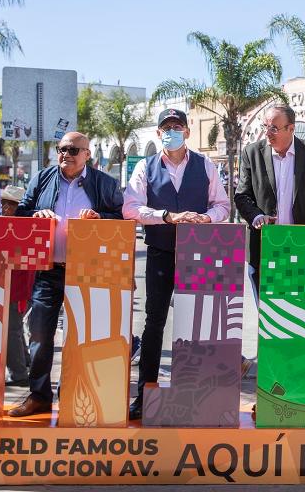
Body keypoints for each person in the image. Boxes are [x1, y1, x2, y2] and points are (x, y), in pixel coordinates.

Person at [123, 108, 231, 420]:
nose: (172, 131)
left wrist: (206, 218)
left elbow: (222, 205)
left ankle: (195, 394)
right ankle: (145, 393)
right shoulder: (145, 167)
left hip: (198, 253)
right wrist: (167, 216)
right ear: (159, 133)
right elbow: (131, 208)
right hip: (159, 250)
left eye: (177, 126)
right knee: (154, 322)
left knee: (195, 323)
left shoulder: (205, 165)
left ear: (186, 131)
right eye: (166, 127)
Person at [7, 133, 123, 418]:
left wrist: (100, 219)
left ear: (87, 153)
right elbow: (22, 213)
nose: (66, 154)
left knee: (81, 337)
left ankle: (74, 395)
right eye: (61, 149)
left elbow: (123, 219)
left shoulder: (104, 183)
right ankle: (39, 395)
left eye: (73, 150)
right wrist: (35, 214)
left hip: (89, 271)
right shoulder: (43, 178)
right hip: (48, 269)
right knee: (40, 333)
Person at [234, 104, 305, 293]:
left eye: (273, 128)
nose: (267, 133)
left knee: (298, 312)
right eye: (265, 126)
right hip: (264, 246)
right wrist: (256, 216)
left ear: (291, 128)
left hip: (301, 244)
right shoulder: (251, 153)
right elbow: (242, 195)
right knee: (266, 314)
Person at [0, 185, 31, 388]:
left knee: (11, 328)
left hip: (16, 283)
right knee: (15, 327)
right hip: (17, 282)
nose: (3, 207)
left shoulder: (18, 227)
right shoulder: (15, 225)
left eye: (7, 204)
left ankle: (18, 372)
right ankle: (24, 362)